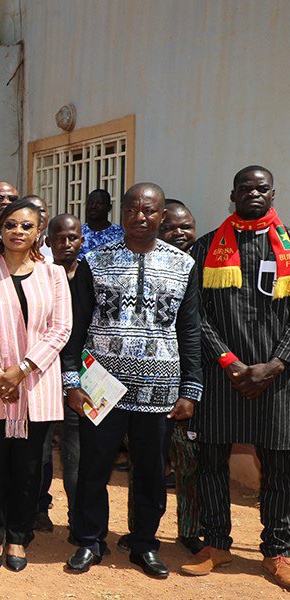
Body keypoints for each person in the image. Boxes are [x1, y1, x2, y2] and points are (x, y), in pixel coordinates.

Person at [62, 183, 201, 579]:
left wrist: (190, 389)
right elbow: (75, 327)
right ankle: (90, 541)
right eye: (133, 209)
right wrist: (72, 381)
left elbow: (190, 330)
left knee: (152, 473)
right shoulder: (95, 261)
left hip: (159, 392)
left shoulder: (183, 266)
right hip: (101, 388)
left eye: (149, 210)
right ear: (122, 213)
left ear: (161, 215)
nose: (140, 217)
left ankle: (144, 544)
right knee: (94, 468)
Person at [182, 166, 290, 589]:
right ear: (232, 194)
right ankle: (217, 543)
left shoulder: (289, 246)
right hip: (222, 375)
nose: (253, 193)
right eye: (245, 188)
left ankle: (277, 551)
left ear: (273, 192)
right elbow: (195, 315)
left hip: (277, 377)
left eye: (261, 188)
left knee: (280, 467)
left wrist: (276, 363)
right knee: (211, 462)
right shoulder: (206, 247)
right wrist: (229, 362)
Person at [0, 200, 71, 572]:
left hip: (36, 384)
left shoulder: (53, 274)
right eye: (11, 225)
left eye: (26, 226)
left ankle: (19, 538)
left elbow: (61, 328)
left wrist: (21, 370)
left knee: (28, 469)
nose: (18, 232)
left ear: (38, 232)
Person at [155, 199, 204, 555]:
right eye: (171, 227)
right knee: (151, 463)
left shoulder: (206, 260)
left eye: (186, 226)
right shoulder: (153, 263)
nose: (180, 233)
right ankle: (145, 530)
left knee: (190, 461)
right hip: (155, 383)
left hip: (198, 378)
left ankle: (190, 529)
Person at [36, 214, 87, 534]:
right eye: (59, 238)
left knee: (75, 451)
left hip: (82, 376)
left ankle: (77, 516)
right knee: (39, 449)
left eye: (73, 237)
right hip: (41, 372)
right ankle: (39, 508)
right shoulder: (41, 275)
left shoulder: (91, 275)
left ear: (81, 240)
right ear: (48, 241)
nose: (66, 244)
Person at [79, 189, 124, 257]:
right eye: (90, 203)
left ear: (109, 207)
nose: (93, 206)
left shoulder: (119, 234)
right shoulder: (78, 232)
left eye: (99, 203)